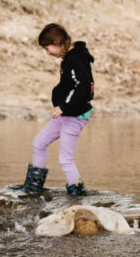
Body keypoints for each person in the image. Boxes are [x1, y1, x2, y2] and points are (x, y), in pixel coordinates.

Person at [14, 23, 95, 196]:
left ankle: (76, 193)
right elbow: (69, 85)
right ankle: (33, 187)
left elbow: (84, 86)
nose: (47, 52)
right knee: (39, 142)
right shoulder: (70, 58)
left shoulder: (75, 58)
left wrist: (64, 106)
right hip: (66, 113)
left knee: (65, 159)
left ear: (57, 41)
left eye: (47, 47)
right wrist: (60, 103)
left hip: (75, 115)